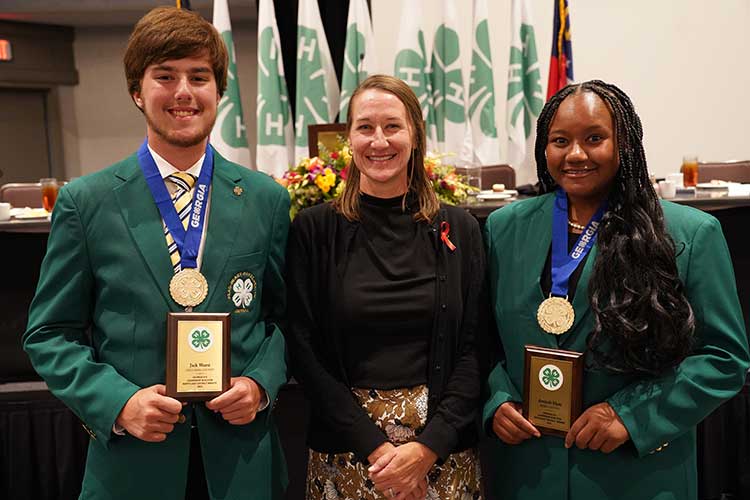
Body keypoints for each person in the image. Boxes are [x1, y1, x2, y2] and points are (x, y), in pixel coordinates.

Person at [23, 7, 289, 500]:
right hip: (132, 467)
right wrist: (117, 402)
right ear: (136, 91)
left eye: (199, 76)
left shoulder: (265, 198)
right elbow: (48, 334)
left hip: (242, 466)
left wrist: (259, 383)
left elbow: (285, 320)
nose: (183, 91)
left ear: (219, 91)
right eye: (165, 76)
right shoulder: (87, 202)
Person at [482, 79, 750, 500]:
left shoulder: (690, 234)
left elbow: (724, 358)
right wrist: (497, 399)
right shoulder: (503, 228)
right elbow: (483, 341)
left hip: (635, 477)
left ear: (624, 143)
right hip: (528, 473)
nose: (575, 154)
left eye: (594, 139)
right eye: (560, 140)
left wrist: (631, 416)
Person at [285, 74, 485, 500]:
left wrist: (428, 448)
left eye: (392, 126)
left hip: (441, 454)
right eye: (365, 127)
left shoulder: (461, 229)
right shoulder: (314, 230)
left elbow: (476, 348)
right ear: (349, 139)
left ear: (415, 134)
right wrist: (374, 447)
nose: (379, 141)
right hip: (348, 454)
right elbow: (302, 349)